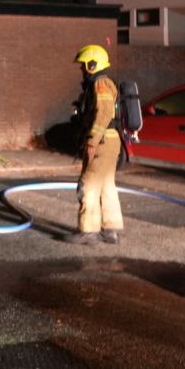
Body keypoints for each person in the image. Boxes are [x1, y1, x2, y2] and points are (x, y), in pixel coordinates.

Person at [67, 44, 124, 245]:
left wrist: (91, 140)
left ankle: (88, 231)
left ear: (93, 64)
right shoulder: (102, 84)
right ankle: (111, 229)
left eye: (83, 65)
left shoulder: (100, 84)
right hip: (109, 140)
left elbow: (103, 113)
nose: (81, 69)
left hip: (102, 142)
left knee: (88, 185)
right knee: (107, 184)